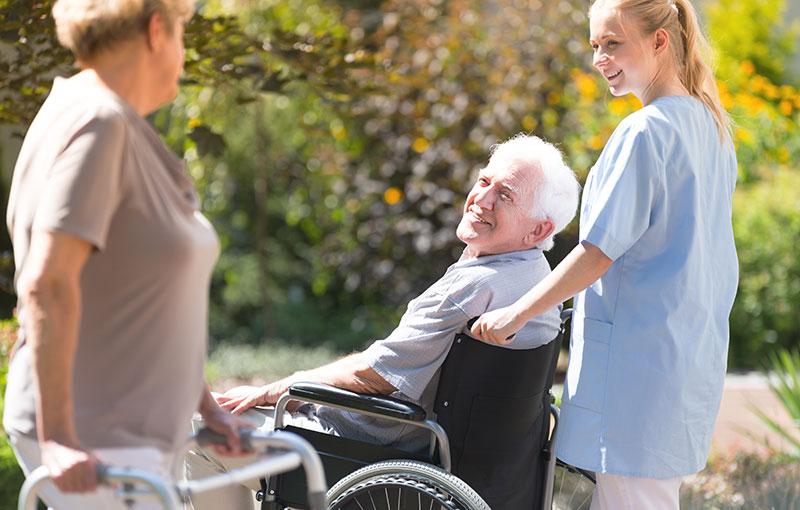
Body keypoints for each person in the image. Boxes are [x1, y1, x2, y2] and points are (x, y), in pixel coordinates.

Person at [184, 133, 581, 509]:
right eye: (484, 181)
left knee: (203, 431)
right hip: (487, 472)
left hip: (382, 458)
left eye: (505, 195)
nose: (482, 199)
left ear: (539, 229)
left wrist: (285, 387)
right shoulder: (537, 282)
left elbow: (376, 377)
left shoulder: (472, 288)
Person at [470, 0, 738, 508]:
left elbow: (598, 252)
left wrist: (515, 313)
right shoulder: (711, 127)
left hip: (640, 371)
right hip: (684, 358)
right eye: (594, 45)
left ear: (660, 41)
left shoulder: (646, 132)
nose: (599, 58)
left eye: (612, 43)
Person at [3, 1, 251, 508]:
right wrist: (60, 437)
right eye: (182, 31)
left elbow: (141, 291)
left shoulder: (91, 113)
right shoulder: (101, 121)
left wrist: (206, 406)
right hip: (100, 436)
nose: (182, 53)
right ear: (156, 30)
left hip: (125, 430)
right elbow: (47, 281)